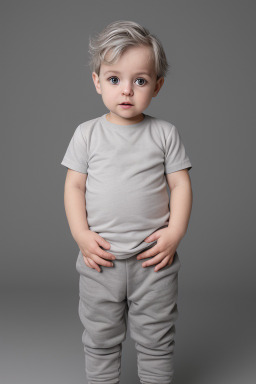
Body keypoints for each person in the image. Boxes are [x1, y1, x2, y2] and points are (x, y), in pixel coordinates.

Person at [61, 20, 193, 384]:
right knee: (100, 340)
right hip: (99, 260)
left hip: (153, 260)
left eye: (140, 80)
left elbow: (180, 185)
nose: (127, 91)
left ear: (157, 85)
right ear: (97, 81)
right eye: (115, 78)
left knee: (156, 341)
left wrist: (174, 233)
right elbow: (74, 187)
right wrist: (81, 235)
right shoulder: (87, 134)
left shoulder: (164, 134)